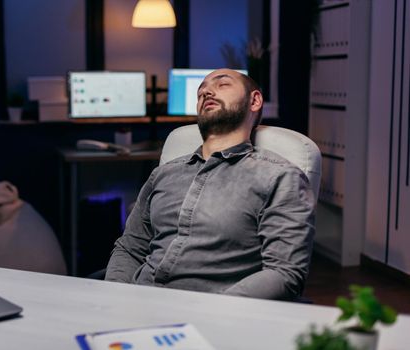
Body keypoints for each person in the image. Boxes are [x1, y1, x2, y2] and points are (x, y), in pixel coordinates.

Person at [105, 69, 315, 301]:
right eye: (200, 91)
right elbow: (130, 248)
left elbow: (284, 273)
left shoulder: (279, 177)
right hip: (138, 304)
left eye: (222, 84)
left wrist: (213, 310)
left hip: (216, 316)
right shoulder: (163, 174)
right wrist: (116, 297)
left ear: (254, 100)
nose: (206, 91)